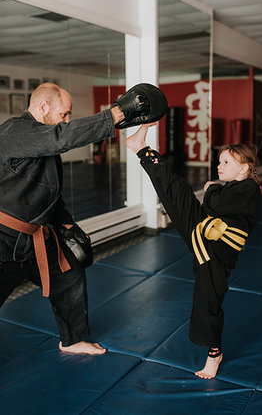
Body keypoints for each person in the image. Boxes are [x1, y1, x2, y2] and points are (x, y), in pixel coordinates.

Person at [0, 82, 167, 355]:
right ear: (43, 107)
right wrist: (114, 114)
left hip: (35, 239)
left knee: (68, 276)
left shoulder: (44, 144)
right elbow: (62, 137)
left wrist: (66, 223)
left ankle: (74, 339)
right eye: (64, 114)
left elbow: (49, 192)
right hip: (3, 242)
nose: (67, 121)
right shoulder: (14, 131)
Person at [126, 123, 262, 379]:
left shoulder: (249, 189)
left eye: (225, 162)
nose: (219, 166)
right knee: (177, 192)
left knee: (208, 300)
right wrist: (213, 190)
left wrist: (212, 187)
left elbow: (215, 202)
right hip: (205, 235)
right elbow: (212, 204)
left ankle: (215, 353)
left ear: (244, 168)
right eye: (219, 161)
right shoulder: (235, 188)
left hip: (216, 255)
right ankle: (142, 150)